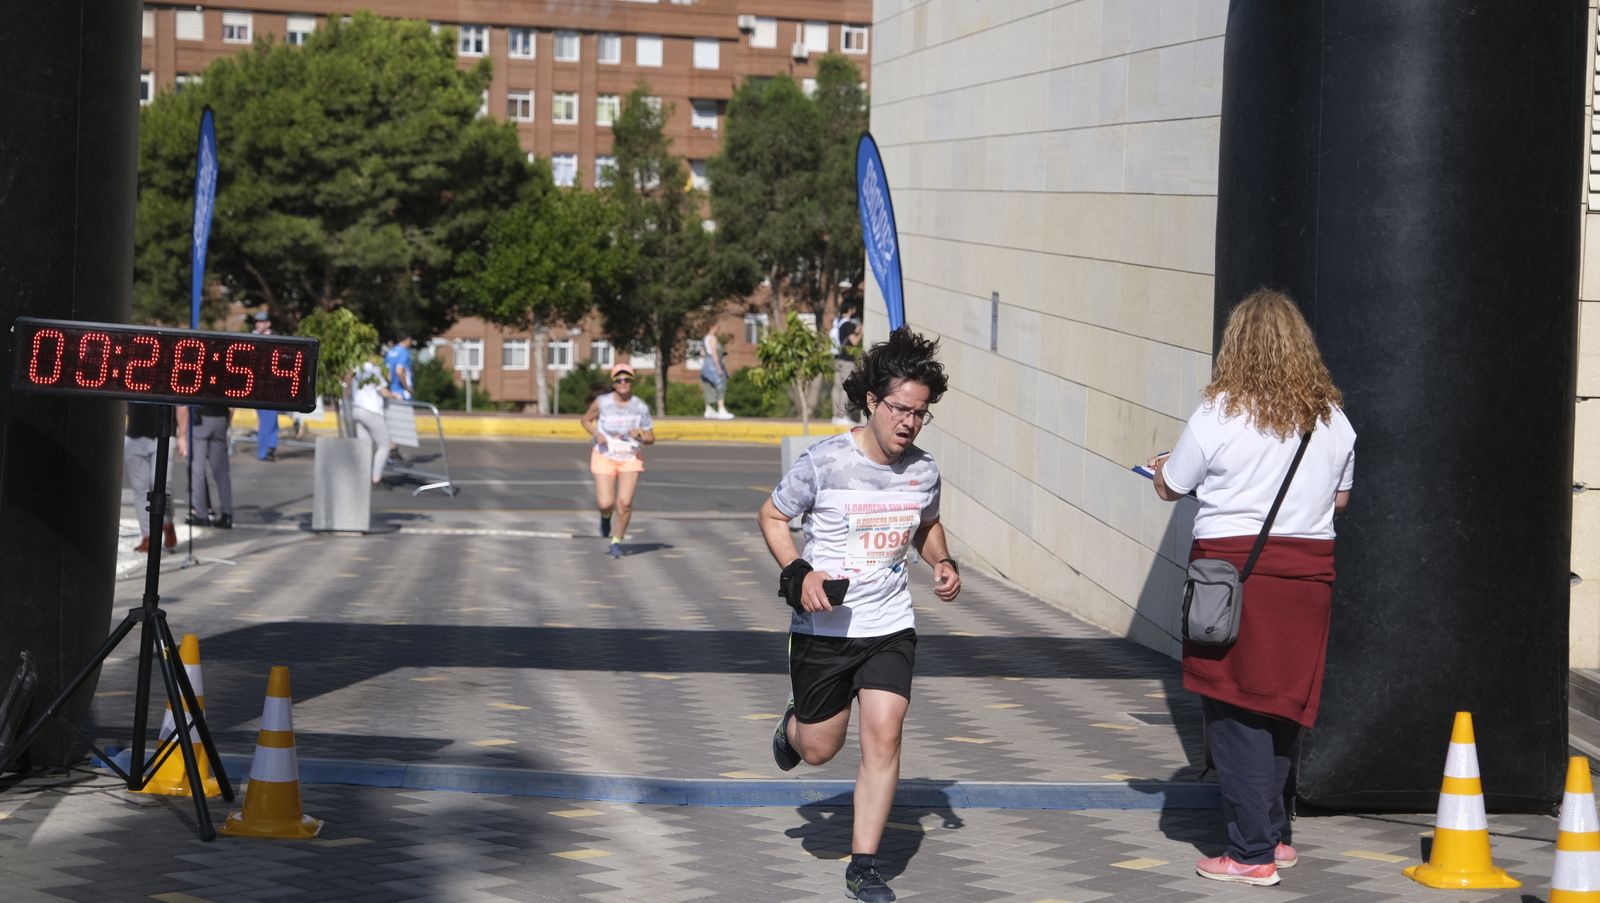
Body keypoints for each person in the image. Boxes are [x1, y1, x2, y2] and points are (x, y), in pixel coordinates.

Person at [1148, 288, 1356, 888]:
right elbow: (1339, 499)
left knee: (1235, 709)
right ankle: (1278, 835)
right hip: (1309, 577)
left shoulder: (1219, 413)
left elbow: (1173, 485)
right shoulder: (1331, 419)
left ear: (1235, 345)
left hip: (1232, 575)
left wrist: (1161, 468)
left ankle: (1251, 853)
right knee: (1282, 708)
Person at [757, 328, 960, 903]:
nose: (910, 423)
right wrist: (800, 574)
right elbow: (772, 516)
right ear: (872, 400)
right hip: (824, 627)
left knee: (884, 735)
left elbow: (926, 525)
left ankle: (864, 864)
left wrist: (941, 562)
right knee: (820, 748)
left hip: (889, 625)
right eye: (900, 409)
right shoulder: (824, 463)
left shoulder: (923, 471)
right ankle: (793, 727)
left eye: (921, 414)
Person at [581, 363, 655, 559]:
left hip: (629, 457)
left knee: (625, 503)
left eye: (627, 379)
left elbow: (651, 438)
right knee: (606, 503)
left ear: (632, 382)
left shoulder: (640, 406)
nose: (623, 383)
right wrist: (597, 433)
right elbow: (586, 420)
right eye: (619, 380)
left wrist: (639, 435)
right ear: (614, 383)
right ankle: (605, 516)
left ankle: (616, 541)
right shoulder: (602, 402)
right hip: (605, 455)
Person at [124, 402, 179, 552]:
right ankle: (148, 536)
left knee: (161, 484)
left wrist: (184, 435)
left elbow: (182, 405)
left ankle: (167, 524)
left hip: (163, 434)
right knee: (140, 490)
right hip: (135, 434)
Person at [178, 403, 232, 529]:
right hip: (221, 418)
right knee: (222, 472)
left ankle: (201, 514)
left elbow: (182, 406)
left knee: (197, 470)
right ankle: (227, 514)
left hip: (201, 419)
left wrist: (182, 435)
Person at [349, 358, 395, 486]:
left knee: (365, 447)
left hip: (357, 408)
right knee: (384, 445)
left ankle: (362, 477)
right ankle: (376, 478)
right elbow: (383, 391)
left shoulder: (357, 369)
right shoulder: (374, 371)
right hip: (371, 411)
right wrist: (394, 395)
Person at [252, 312, 280, 462]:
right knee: (266, 419)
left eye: (262, 321)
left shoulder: (277, 337)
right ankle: (264, 451)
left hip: (274, 383)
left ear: (268, 323)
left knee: (272, 419)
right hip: (258, 385)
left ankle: (271, 447)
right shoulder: (251, 338)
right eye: (257, 321)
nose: (259, 324)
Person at [830, 311, 862, 426]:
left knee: (836, 387)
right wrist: (861, 333)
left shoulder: (837, 323)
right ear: (850, 310)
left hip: (837, 358)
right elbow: (854, 341)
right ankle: (842, 416)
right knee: (845, 387)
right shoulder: (848, 324)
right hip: (847, 360)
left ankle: (835, 416)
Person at [699, 328, 734, 420]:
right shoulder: (713, 338)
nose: (718, 329)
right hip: (713, 364)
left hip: (705, 365)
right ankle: (721, 409)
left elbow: (702, 353)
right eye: (716, 327)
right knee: (721, 385)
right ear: (712, 327)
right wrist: (718, 367)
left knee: (708, 386)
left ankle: (708, 410)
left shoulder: (704, 339)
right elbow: (714, 352)